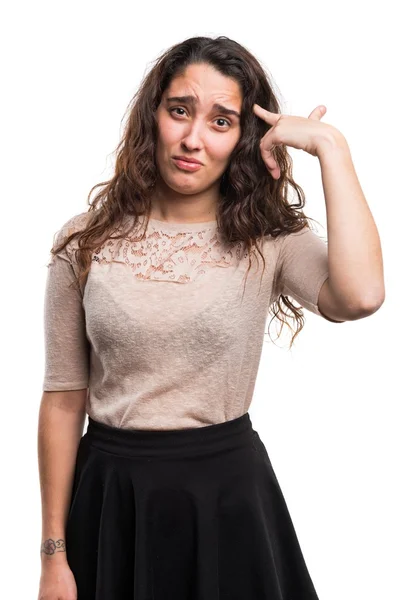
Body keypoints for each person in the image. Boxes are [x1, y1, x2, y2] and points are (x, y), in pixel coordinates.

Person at [37, 35, 384, 600]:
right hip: (110, 497)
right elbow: (62, 398)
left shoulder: (268, 238)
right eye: (180, 111)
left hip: (226, 496)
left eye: (222, 122)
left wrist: (331, 150)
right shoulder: (84, 240)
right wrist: (53, 554)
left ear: (244, 138)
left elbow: (362, 295)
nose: (193, 138)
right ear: (154, 116)